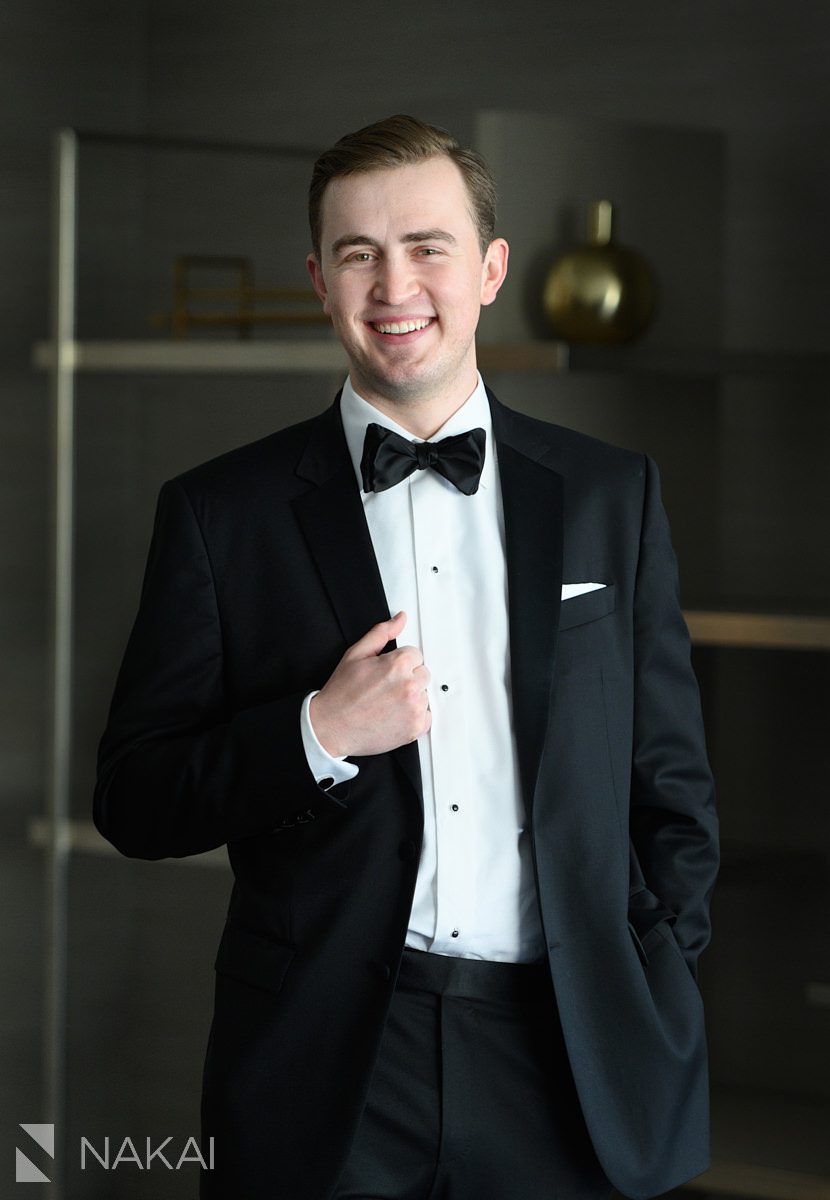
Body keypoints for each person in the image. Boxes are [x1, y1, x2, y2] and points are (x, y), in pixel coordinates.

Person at [94, 114, 719, 1200]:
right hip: (325, 1060)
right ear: (318, 280)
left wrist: (652, 972)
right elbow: (136, 799)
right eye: (357, 253)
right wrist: (316, 733)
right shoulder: (217, 514)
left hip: (568, 1055)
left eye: (425, 247)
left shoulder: (611, 494)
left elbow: (669, 785)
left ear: (488, 269)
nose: (394, 285)